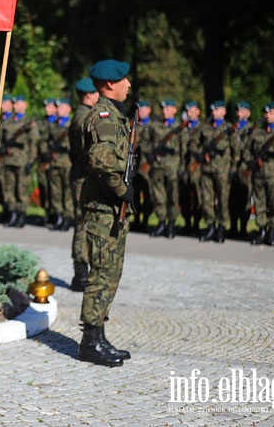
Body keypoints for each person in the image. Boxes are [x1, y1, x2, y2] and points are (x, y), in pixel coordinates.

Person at [77, 59, 132, 367]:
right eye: (124, 80)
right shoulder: (103, 117)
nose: (128, 85)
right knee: (101, 273)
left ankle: (98, 335)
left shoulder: (113, 115)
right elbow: (102, 162)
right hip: (103, 207)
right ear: (110, 84)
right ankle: (89, 342)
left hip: (109, 208)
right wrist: (123, 191)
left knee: (111, 273)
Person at [243, 102, 274, 246]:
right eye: (266, 113)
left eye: (271, 113)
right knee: (259, 204)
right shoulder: (257, 132)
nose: (267, 116)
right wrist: (250, 161)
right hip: (258, 174)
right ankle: (262, 229)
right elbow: (246, 149)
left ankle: (272, 231)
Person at [68, 78, 98, 291]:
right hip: (83, 177)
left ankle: (82, 272)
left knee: (84, 223)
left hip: (81, 176)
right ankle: (80, 274)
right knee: (83, 223)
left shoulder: (81, 115)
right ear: (88, 94)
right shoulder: (84, 117)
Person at [197, 101, 234, 243]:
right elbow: (195, 144)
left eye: (217, 109)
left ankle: (222, 227)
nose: (214, 112)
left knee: (223, 200)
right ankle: (210, 226)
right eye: (213, 109)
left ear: (224, 112)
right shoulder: (205, 127)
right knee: (207, 200)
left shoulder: (229, 128)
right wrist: (201, 154)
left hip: (222, 170)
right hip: (207, 169)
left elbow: (236, 150)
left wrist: (233, 169)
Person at [0, 94, 37, 227]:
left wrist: (30, 161)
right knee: (9, 189)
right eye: (14, 103)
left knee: (21, 190)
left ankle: (21, 215)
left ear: (25, 105)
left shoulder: (29, 122)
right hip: (8, 160)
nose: (16, 105)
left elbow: (33, 143)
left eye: (19, 103)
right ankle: (12, 213)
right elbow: (0, 138)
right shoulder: (7, 121)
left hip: (22, 161)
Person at [147, 99, 185, 238]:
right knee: (159, 197)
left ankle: (171, 224)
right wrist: (151, 156)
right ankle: (161, 222)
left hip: (172, 167)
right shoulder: (155, 126)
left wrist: (182, 167)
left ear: (175, 110)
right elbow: (148, 143)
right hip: (157, 167)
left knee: (172, 197)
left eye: (168, 108)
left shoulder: (179, 128)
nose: (165, 111)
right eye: (163, 108)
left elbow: (183, 150)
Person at [47, 98, 74, 230]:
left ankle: (67, 217)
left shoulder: (72, 125)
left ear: (69, 109)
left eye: (62, 107)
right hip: (54, 162)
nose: (58, 110)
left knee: (67, 192)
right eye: (57, 108)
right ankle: (58, 216)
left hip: (67, 163)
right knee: (55, 191)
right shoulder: (54, 125)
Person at [228, 101, 255, 238]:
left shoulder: (253, 129)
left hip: (245, 169)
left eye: (243, 111)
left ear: (248, 113)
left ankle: (243, 229)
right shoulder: (232, 128)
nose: (239, 114)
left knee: (245, 198)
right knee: (232, 198)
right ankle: (233, 227)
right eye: (238, 111)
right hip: (232, 168)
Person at [181, 101, 203, 233]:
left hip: (197, 168)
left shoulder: (202, 128)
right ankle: (187, 223)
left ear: (198, 112)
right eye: (188, 110)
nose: (189, 113)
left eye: (192, 110)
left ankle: (197, 224)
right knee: (184, 197)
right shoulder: (183, 128)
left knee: (197, 197)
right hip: (184, 167)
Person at [35, 97, 58, 224]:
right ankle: (47, 212)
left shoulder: (58, 123)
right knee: (43, 187)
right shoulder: (41, 123)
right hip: (42, 160)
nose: (47, 109)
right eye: (46, 107)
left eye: (50, 107)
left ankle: (56, 214)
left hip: (54, 161)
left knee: (54, 189)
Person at [132, 100, 154, 231]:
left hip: (147, 166)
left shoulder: (153, 127)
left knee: (147, 194)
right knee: (134, 194)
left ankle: (145, 220)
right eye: (139, 110)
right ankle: (136, 219)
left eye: (144, 109)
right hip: (134, 165)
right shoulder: (133, 125)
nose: (141, 112)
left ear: (149, 110)